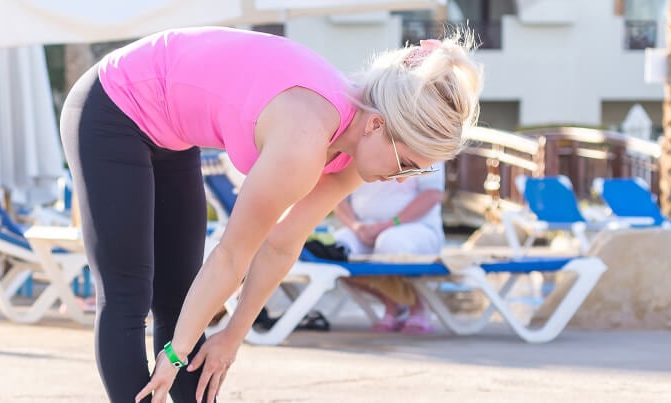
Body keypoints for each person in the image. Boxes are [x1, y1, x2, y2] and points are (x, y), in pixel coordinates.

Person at [60, 27, 481, 403]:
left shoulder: (355, 150)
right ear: (375, 126)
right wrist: (172, 354)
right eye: (407, 163)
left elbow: (282, 243)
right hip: (112, 106)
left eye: (419, 171)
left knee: (180, 299)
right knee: (128, 294)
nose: (405, 179)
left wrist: (232, 337)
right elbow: (231, 256)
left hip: (172, 134)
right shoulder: (303, 141)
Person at [333, 162, 445, 334]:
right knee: (334, 250)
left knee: (390, 243)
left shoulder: (429, 139)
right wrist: (355, 226)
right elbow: (336, 194)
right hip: (364, 227)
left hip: (417, 227)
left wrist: (389, 224)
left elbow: (432, 195)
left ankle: (416, 308)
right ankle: (394, 303)